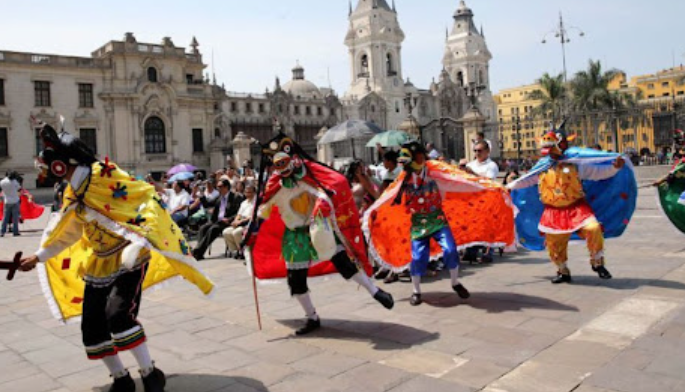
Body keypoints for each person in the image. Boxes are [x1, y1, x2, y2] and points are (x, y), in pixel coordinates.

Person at [19, 121, 214, 392]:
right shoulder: (72, 192)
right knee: (92, 326)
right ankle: (121, 379)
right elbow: (69, 233)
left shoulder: (105, 176)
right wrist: (38, 257)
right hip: (98, 263)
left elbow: (145, 198)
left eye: (49, 166)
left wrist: (142, 238)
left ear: (60, 165)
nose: (49, 173)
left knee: (119, 316)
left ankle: (150, 373)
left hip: (130, 257)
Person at [248, 136, 394, 335]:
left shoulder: (309, 176)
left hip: (318, 228)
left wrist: (322, 206)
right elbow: (263, 211)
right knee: (296, 280)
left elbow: (329, 191)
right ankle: (312, 317)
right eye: (277, 164)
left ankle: (375, 291)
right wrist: (253, 228)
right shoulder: (274, 186)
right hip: (295, 237)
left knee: (344, 262)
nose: (282, 167)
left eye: (284, 161)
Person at [363, 141, 516, 305]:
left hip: (437, 220)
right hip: (418, 224)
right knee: (417, 258)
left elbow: (459, 181)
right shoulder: (403, 180)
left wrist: (490, 187)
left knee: (450, 250)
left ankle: (455, 282)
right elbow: (388, 196)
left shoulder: (435, 173)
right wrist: (370, 213)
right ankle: (416, 291)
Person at [508, 122, 637, 284]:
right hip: (553, 212)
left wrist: (614, 168)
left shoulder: (575, 164)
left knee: (593, 228)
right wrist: (506, 187)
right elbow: (525, 181)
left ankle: (597, 263)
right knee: (555, 244)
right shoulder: (542, 167)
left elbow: (598, 173)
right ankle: (563, 271)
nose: (549, 152)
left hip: (577, 208)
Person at [464, 141, 500, 262]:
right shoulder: (471, 164)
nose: (477, 153)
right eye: (475, 151)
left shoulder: (491, 165)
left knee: (485, 226)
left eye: (480, 150)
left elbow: (488, 182)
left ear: (487, 151)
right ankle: (471, 251)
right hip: (471, 199)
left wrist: (472, 174)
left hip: (486, 199)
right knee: (472, 226)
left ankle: (487, 252)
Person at [192, 179, 244, 260]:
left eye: (220, 187)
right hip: (217, 221)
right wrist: (202, 195)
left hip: (227, 222)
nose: (218, 188)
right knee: (203, 228)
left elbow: (239, 212)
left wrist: (229, 219)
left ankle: (197, 252)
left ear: (226, 187)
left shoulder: (235, 197)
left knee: (213, 229)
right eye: (217, 187)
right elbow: (207, 204)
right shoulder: (219, 197)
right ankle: (198, 251)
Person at [223, 184, 256, 259]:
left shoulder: (256, 203)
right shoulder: (244, 203)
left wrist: (240, 222)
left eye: (250, 192)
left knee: (236, 232)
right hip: (240, 222)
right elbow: (239, 214)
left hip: (249, 224)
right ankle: (235, 251)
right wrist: (235, 221)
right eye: (246, 192)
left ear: (254, 193)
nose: (247, 194)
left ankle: (243, 251)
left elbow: (252, 217)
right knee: (226, 232)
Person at [0, 171, 21, 237]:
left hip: (7, 201)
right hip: (15, 201)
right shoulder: (14, 181)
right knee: (15, 217)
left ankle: (2, 232)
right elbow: (19, 189)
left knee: (5, 217)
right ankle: (15, 232)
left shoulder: (2, 182)